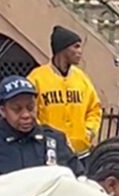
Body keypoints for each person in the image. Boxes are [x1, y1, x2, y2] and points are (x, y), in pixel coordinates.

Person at [0, 75, 84, 196]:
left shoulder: (54, 141)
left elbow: (79, 182)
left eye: (30, 108)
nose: (26, 115)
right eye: (17, 109)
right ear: (3, 111)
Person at [27, 26, 102, 155]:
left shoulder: (81, 78)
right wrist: (42, 135)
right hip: (49, 151)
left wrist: (89, 131)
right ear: (63, 49)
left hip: (80, 151)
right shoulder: (36, 78)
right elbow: (30, 112)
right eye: (76, 46)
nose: (80, 51)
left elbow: (94, 109)